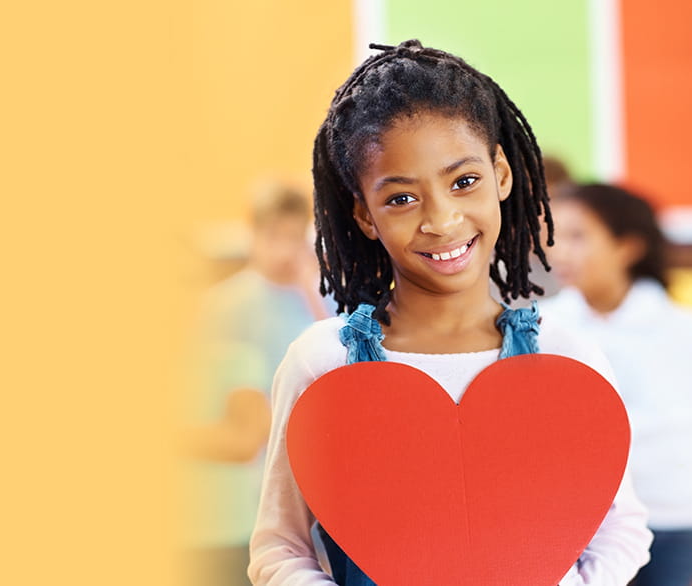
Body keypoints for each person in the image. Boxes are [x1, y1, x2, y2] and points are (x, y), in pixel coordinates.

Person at [247, 40, 652, 585]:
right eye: (400, 199)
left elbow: (620, 529)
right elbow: (280, 548)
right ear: (364, 215)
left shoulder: (565, 355)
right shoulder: (323, 363)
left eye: (464, 182)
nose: (441, 220)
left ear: (502, 175)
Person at [542, 183, 692, 586]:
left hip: (676, 515)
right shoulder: (543, 327)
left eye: (578, 236)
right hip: (581, 520)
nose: (559, 252)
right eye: (555, 237)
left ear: (628, 247)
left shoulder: (691, 331)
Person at [193, 184, 330, 586]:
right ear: (253, 234)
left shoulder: (320, 295)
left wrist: (313, 288)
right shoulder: (222, 306)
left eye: (294, 237)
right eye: (274, 237)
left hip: (316, 460)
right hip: (255, 471)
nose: (285, 250)